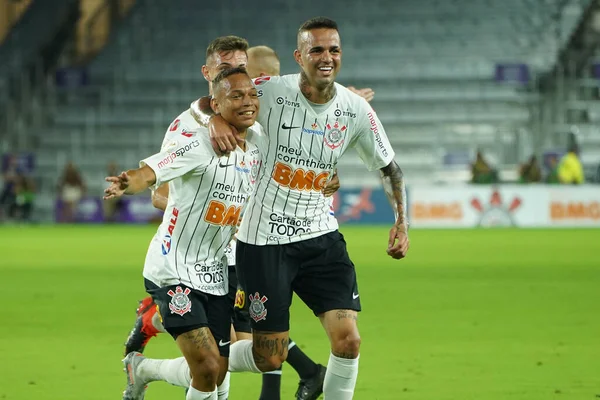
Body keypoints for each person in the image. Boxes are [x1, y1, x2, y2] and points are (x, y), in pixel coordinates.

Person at [123, 39, 340, 400]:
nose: (245, 80)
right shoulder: (186, 129)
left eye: (249, 73)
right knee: (218, 362)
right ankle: (289, 381)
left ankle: (145, 365)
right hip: (201, 257)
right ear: (210, 76)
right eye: (229, 71)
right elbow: (161, 192)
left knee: (231, 358)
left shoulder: (258, 123)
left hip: (245, 253)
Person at [206, 17, 410, 399]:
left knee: (348, 341)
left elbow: (390, 170)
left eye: (333, 49)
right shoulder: (269, 91)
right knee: (270, 357)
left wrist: (402, 222)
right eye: (316, 50)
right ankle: (199, 359)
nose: (326, 57)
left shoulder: (355, 110)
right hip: (264, 242)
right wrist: (215, 117)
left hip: (321, 237)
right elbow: (216, 96)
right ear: (299, 56)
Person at [108, 67, 266, 400]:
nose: (248, 102)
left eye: (251, 95)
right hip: (174, 269)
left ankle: (143, 369)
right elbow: (153, 170)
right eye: (236, 96)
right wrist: (129, 182)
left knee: (216, 373)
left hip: (218, 275)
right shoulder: (198, 143)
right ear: (216, 103)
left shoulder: (259, 144)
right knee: (208, 367)